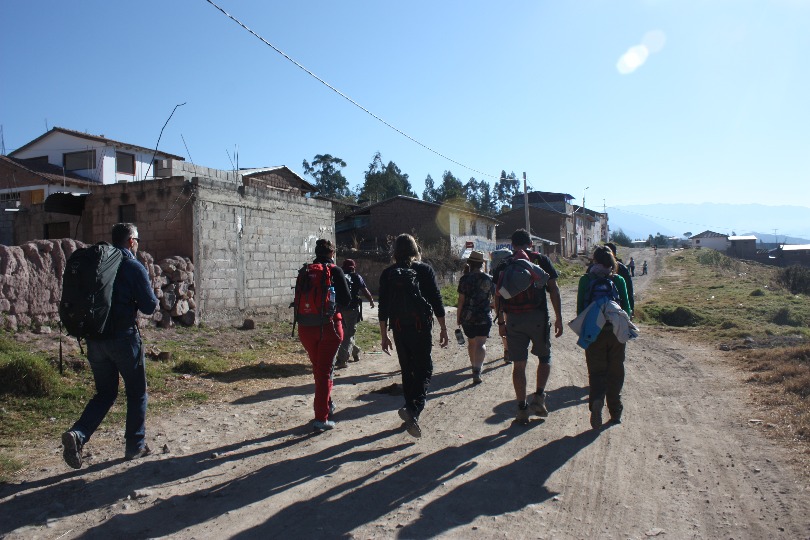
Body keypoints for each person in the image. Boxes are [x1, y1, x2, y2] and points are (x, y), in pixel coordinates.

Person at [61, 223, 158, 469]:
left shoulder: (99, 264)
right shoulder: (133, 266)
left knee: (105, 393)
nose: (137, 244)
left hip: (95, 340)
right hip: (124, 339)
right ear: (130, 242)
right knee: (136, 391)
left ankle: (78, 434)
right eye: (137, 239)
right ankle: (134, 446)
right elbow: (149, 306)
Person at [379, 234, 449, 438]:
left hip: (399, 327)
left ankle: (410, 407)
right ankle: (413, 410)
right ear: (415, 249)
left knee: (407, 369)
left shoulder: (388, 273)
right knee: (424, 368)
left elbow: (384, 307)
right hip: (421, 327)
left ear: (395, 252)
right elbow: (436, 300)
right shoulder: (424, 269)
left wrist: (384, 335)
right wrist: (444, 328)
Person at [494, 229, 563, 424]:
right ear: (530, 244)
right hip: (538, 316)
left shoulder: (505, 263)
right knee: (544, 357)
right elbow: (554, 289)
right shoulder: (540, 260)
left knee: (519, 364)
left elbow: (497, 296)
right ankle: (539, 398)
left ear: (512, 245)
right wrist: (558, 317)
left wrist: (500, 322)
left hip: (514, 318)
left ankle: (522, 409)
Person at [295, 239, 352, 432]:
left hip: (305, 328)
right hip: (329, 328)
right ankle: (321, 418)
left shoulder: (305, 271)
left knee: (318, 368)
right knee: (325, 371)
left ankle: (327, 404)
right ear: (332, 253)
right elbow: (347, 300)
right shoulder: (335, 270)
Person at [575, 245, 632, 429]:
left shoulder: (585, 280)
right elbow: (627, 309)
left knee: (597, 372)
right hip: (615, 332)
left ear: (595, 260)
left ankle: (597, 401)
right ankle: (615, 411)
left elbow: (580, 310)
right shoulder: (619, 279)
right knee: (615, 371)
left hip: (594, 333)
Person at [456, 250, 495, 384]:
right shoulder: (489, 279)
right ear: (481, 264)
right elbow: (496, 300)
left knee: (472, 342)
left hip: (467, 317)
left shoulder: (464, 279)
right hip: (484, 316)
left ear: (470, 263)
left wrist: (458, 317)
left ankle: (474, 366)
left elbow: (460, 301)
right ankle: (477, 371)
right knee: (481, 343)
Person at [335, 259, 375, 369]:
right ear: (354, 267)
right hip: (352, 309)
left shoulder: (340, 276)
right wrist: (371, 300)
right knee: (349, 334)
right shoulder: (357, 277)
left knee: (347, 332)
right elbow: (364, 290)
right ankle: (342, 359)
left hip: (340, 308)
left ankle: (356, 352)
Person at [606, 242, 635, 318]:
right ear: (614, 254)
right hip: (618, 313)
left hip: (595, 315)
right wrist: (631, 309)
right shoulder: (622, 269)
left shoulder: (591, 271)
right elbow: (629, 291)